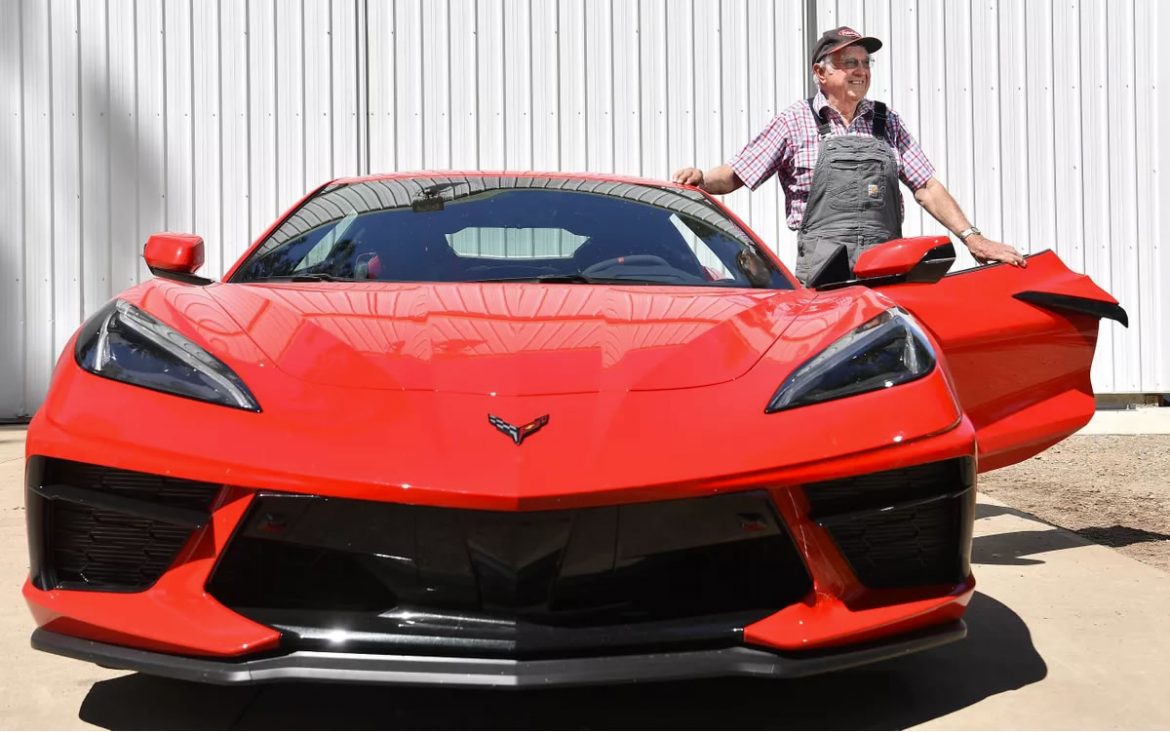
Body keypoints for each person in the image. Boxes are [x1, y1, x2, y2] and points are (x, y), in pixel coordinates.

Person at [672, 26, 1026, 283]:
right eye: (849, 63)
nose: (861, 71)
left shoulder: (885, 121)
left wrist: (973, 238)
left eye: (865, 63)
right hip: (826, 277)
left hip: (887, 272)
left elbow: (926, 187)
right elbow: (736, 174)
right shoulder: (795, 121)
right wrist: (701, 179)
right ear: (820, 73)